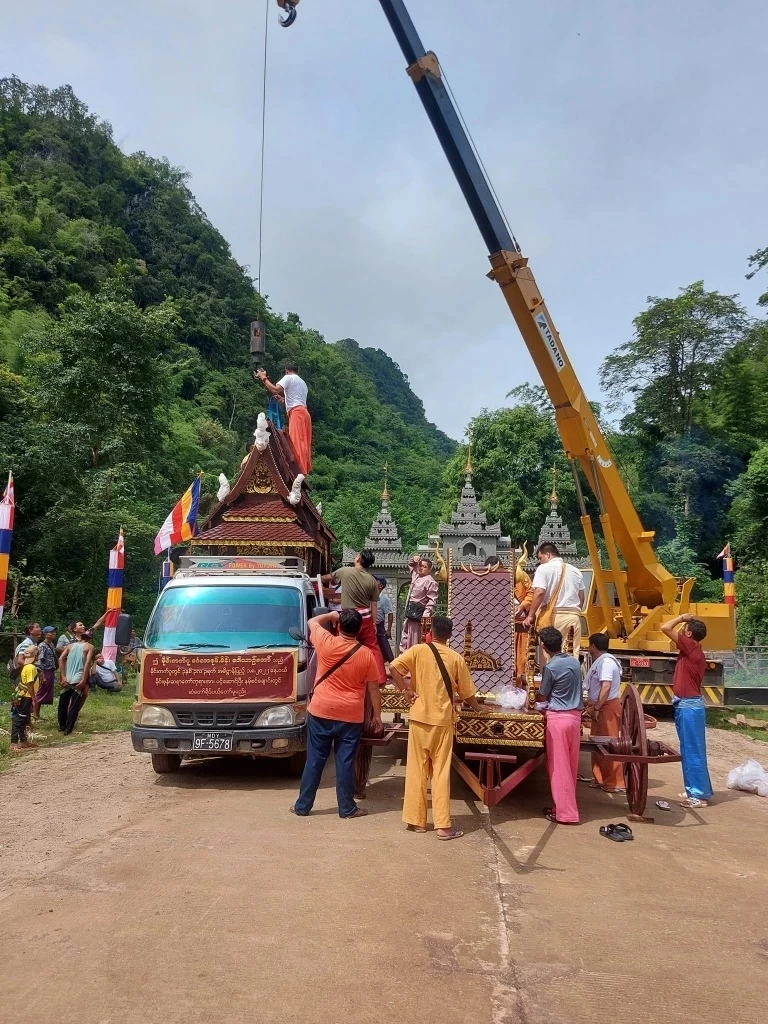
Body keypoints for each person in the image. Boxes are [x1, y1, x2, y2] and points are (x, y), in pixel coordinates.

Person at [390, 616, 481, 839]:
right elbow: (467, 694)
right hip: (442, 721)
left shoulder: (418, 650)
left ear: (431, 632)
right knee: (440, 773)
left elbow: (393, 667)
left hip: (419, 718)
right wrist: (479, 710)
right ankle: (442, 826)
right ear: (449, 636)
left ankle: (416, 821)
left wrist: (406, 691)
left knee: (417, 770)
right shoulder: (456, 658)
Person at [292, 610, 382, 819]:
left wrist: (331, 615)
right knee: (345, 762)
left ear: (339, 626)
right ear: (359, 629)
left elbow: (312, 621)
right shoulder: (366, 654)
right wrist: (377, 716)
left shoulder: (325, 641)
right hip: (350, 716)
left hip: (321, 711)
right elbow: (373, 689)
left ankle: (302, 806)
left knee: (314, 760)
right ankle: (347, 808)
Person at [661, 612, 713, 809]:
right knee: (690, 749)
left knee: (692, 751)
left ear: (689, 635)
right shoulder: (692, 650)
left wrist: (682, 618)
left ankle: (698, 795)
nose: (681, 631)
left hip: (689, 707)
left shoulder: (690, 646)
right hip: (687, 705)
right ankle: (694, 789)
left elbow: (665, 628)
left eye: (684, 630)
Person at [538, 626, 583, 824]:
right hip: (575, 717)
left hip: (558, 719)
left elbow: (543, 695)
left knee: (558, 767)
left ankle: (565, 813)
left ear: (544, 646)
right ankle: (561, 807)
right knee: (570, 766)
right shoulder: (574, 662)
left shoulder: (550, 667)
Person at [323, 550, 386, 684]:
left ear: (358, 559)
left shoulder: (345, 571)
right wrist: (374, 623)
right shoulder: (372, 580)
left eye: (357, 554)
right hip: (366, 616)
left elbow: (326, 578)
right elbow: (374, 604)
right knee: (373, 647)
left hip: (349, 616)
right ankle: (379, 679)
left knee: (344, 645)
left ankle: (341, 676)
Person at [523, 543, 585, 653]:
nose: (540, 561)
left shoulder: (543, 568)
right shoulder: (576, 571)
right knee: (571, 654)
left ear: (548, 554)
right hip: (573, 618)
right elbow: (581, 597)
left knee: (550, 655)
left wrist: (530, 615)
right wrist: (574, 612)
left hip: (553, 616)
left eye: (540, 558)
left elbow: (540, 592)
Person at [255, 362, 312, 475]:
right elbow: (296, 399)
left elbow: (275, 389)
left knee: (296, 443)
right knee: (304, 443)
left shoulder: (288, 377)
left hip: (297, 414)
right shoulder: (303, 383)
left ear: (286, 371)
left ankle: (299, 473)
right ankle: (303, 470)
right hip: (304, 414)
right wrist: (283, 400)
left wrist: (263, 378)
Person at [584, 633, 624, 793]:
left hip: (606, 707)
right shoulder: (601, 661)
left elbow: (606, 686)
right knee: (596, 743)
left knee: (609, 744)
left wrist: (597, 707)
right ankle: (600, 779)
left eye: (589, 646)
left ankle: (614, 783)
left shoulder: (606, 662)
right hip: (600, 706)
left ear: (593, 646)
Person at [58, 630, 95, 735]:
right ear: (90, 639)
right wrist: (84, 679)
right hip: (78, 679)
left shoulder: (69, 646)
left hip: (67, 678)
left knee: (63, 703)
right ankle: (68, 729)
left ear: (81, 637)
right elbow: (87, 662)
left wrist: (63, 676)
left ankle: (61, 726)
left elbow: (61, 659)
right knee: (74, 705)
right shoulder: (90, 647)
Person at [400, 556, 439, 653]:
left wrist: (425, 615)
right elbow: (411, 564)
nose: (421, 568)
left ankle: (412, 657)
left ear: (429, 569)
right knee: (405, 636)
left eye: (424, 567)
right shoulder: (416, 575)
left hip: (418, 615)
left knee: (414, 639)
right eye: (420, 565)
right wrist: (415, 559)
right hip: (409, 612)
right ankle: (404, 656)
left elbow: (432, 600)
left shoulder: (430, 581)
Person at [10, 645, 40, 752]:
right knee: (19, 719)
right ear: (35, 656)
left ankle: (23, 740)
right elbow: (30, 684)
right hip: (26, 696)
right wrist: (34, 699)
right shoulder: (31, 668)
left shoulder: (26, 666)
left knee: (24, 719)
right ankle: (13, 742)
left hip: (23, 695)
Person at [514, 552, 534, 680]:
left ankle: (520, 684)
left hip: (521, 622)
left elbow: (531, 593)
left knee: (521, 658)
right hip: (501, 625)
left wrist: (522, 606)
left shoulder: (521, 575)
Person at [36, 626, 59, 712]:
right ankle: (35, 714)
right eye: (51, 632)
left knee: (46, 691)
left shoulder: (52, 645)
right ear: (45, 634)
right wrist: (41, 675)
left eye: (54, 632)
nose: (53, 634)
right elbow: (39, 661)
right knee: (41, 691)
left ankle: (37, 713)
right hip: (45, 671)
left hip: (51, 671)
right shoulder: (42, 646)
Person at [374, 576, 394, 667]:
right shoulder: (369, 596)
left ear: (381, 586)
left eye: (376, 581)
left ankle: (394, 667)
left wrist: (389, 630)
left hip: (379, 626)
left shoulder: (384, 599)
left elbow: (390, 614)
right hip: (370, 625)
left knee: (385, 648)